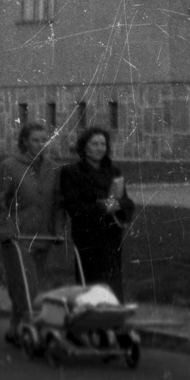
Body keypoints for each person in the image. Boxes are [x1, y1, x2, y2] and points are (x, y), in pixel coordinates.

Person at [0, 120, 61, 345]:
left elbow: (58, 202)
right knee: (26, 284)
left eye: (44, 140)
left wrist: (58, 229)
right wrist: (6, 230)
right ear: (25, 142)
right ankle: (32, 327)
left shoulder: (52, 168)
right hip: (18, 237)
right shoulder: (10, 166)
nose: (41, 144)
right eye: (36, 140)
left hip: (43, 235)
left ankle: (14, 327)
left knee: (30, 283)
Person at [57, 125, 135, 299]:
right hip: (88, 237)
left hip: (111, 236)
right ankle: (91, 314)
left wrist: (118, 205)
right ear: (84, 147)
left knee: (112, 283)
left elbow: (126, 201)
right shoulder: (72, 172)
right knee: (91, 285)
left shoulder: (113, 172)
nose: (100, 148)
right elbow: (74, 207)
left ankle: (112, 313)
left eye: (103, 144)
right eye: (95, 144)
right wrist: (103, 207)